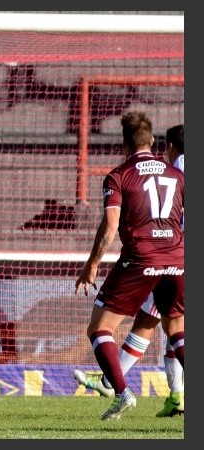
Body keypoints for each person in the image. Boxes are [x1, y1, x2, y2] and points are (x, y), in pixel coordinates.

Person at [74, 112, 184, 421]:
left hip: (140, 258)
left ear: (124, 144)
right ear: (153, 142)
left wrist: (92, 265)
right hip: (177, 258)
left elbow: (110, 227)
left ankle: (121, 393)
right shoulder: (177, 175)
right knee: (176, 330)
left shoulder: (119, 176)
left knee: (100, 329)